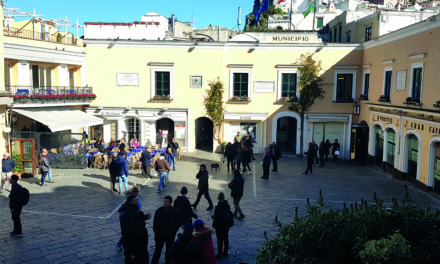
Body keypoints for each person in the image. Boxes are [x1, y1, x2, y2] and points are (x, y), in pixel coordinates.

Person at [151, 195, 180, 264]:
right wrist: (157, 232)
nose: (164, 203)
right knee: (157, 251)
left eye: (166, 202)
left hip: (170, 235)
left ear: (170, 203)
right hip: (160, 235)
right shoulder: (159, 211)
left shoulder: (175, 211)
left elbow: (178, 222)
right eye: (164, 201)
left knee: (169, 250)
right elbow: (155, 224)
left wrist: (174, 230)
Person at [212, 192, 232, 259]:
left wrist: (213, 217)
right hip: (226, 224)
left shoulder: (218, 207)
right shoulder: (227, 205)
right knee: (226, 238)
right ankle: (225, 252)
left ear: (218, 198)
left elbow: (216, 217)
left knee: (219, 240)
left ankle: (219, 254)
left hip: (219, 225)